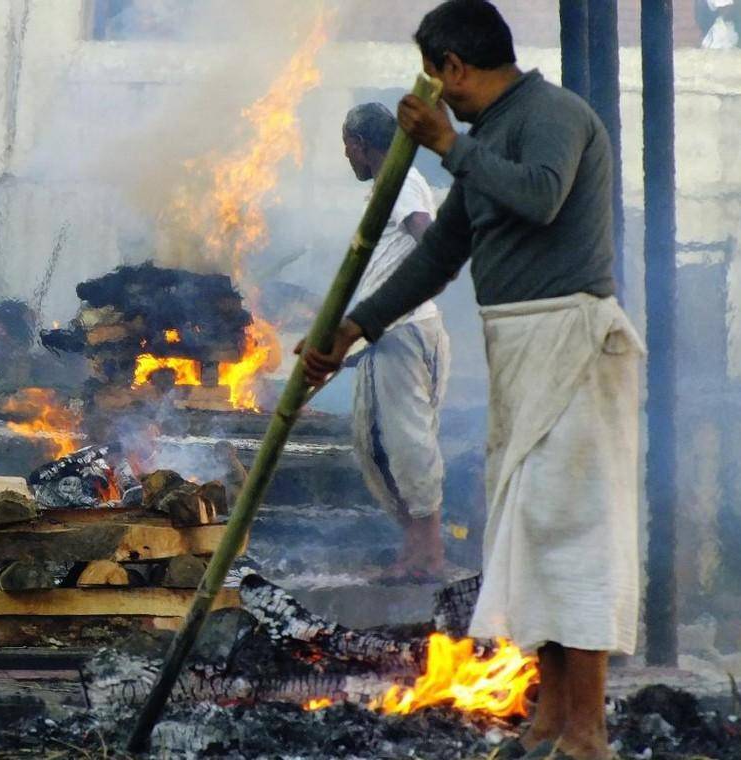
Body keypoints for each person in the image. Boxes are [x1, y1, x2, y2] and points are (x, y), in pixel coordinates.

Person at [299, 2, 644, 759]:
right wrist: (355, 327)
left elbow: (541, 196)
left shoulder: (554, 114)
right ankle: (550, 721)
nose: (440, 95)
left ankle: (588, 733)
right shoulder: (484, 141)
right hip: (519, 349)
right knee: (531, 533)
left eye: (439, 76)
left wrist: (450, 146)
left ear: (454, 66)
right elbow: (439, 254)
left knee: (574, 534)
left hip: (572, 341)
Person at [341, 102, 453, 583]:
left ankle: (429, 553)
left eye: (347, 148)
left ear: (362, 146)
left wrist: (401, 299)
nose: (347, 158)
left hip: (403, 332)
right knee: (376, 445)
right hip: (386, 335)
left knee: (407, 442)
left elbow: (428, 239)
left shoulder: (401, 182)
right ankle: (415, 547)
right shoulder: (391, 186)